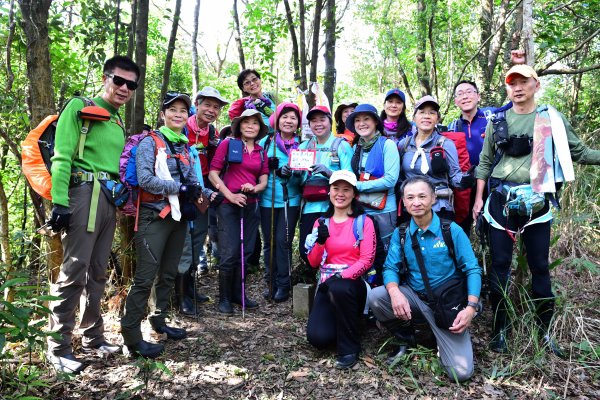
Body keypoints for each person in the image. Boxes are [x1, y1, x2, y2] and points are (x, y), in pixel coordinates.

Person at [473, 64, 600, 355]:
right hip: (501, 201)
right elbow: (484, 162)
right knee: (500, 267)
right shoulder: (499, 120)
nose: (517, 88)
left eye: (523, 82)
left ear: (535, 85)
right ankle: (499, 330)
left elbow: (578, 152)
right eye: (512, 83)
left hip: (538, 202)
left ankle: (543, 332)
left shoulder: (550, 118)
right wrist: (479, 198)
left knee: (540, 267)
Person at [46, 56, 140, 374]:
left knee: (98, 272)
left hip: (108, 200)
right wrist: (60, 203)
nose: (124, 88)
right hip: (83, 196)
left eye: (131, 84)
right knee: (74, 270)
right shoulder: (79, 106)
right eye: (119, 80)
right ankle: (57, 347)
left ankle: (92, 335)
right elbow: (62, 155)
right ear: (105, 78)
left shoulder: (115, 122)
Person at [120, 93, 216, 358]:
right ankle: (131, 336)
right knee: (145, 277)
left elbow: (192, 181)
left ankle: (159, 322)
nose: (178, 114)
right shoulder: (150, 143)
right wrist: (181, 187)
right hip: (154, 217)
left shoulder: (184, 146)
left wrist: (205, 194)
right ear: (163, 114)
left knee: (169, 273)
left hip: (178, 217)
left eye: (183, 111)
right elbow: (145, 180)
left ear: (188, 117)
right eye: (172, 110)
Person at [369, 176, 482, 382]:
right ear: (403, 202)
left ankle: (438, 336)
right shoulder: (401, 233)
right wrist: (395, 293)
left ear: (433, 199)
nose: (416, 202)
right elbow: (390, 267)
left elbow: (473, 269)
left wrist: (471, 308)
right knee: (377, 297)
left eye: (422, 196)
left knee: (461, 373)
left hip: (447, 305)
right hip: (415, 297)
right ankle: (407, 338)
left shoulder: (451, 230)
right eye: (410, 197)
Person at [305, 170, 376, 369]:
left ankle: (349, 349)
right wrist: (320, 243)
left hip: (353, 283)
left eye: (346, 189)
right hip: (327, 283)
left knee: (340, 288)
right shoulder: (320, 222)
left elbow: (366, 259)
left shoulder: (364, 222)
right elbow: (312, 262)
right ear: (329, 192)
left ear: (355, 194)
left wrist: (340, 277)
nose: (340, 193)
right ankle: (350, 323)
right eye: (336, 189)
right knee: (318, 338)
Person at [209, 109, 269, 315]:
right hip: (228, 204)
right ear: (239, 125)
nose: (251, 126)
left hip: (251, 205)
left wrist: (255, 188)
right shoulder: (228, 144)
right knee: (229, 252)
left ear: (260, 128)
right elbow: (213, 173)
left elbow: (263, 179)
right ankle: (224, 298)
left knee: (246, 251)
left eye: (255, 123)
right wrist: (230, 195)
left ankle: (238, 293)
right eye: (247, 122)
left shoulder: (261, 151)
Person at [175, 87, 228, 315]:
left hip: (203, 192)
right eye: (207, 105)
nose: (211, 110)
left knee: (197, 240)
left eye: (216, 107)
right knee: (183, 244)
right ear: (197, 104)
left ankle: (190, 287)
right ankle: (180, 295)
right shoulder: (181, 125)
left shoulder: (212, 132)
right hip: (181, 192)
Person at [398, 96, 473, 221]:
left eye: (432, 113)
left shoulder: (445, 144)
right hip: (412, 208)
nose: (427, 116)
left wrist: (464, 180)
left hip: (439, 206)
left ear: (437, 118)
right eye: (422, 112)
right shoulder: (403, 145)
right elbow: (400, 178)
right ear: (414, 117)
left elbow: (455, 175)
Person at [297, 105, 353, 266]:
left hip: (335, 207)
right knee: (306, 249)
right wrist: (292, 172)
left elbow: (351, 178)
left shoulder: (341, 145)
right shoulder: (303, 147)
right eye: (313, 121)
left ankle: (332, 281)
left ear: (330, 122)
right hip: (309, 207)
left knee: (334, 248)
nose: (318, 124)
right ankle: (317, 279)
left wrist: (329, 173)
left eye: (322, 119)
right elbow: (297, 182)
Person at [259, 102, 303, 302]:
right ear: (277, 120)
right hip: (266, 200)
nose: (288, 121)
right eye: (284, 116)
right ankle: (271, 281)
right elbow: (253, 165)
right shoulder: (266, 143)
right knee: (269, 242)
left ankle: (284, 284)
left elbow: (304, 176)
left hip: (289, 199)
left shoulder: (302, 145)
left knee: (283, 242)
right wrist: (267, 167)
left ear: (298, 123)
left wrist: (291, 173)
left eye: (293, 117)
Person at [345, 103, 399, 251]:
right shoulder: (357, 147)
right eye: (357, 120)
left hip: (384, 210)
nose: (361, 124)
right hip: (361, 208)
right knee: (364, 251)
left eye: (366, 119)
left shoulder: (388, 145)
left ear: (375, 121)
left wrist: (357, 186)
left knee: (386, 251)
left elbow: (390, 180)